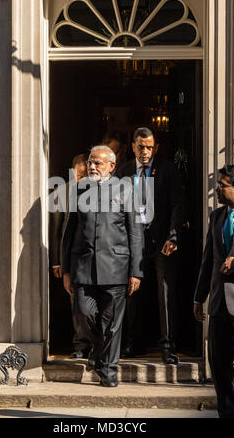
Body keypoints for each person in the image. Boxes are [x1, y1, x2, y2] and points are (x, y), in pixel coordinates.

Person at [62, 146, 144, 387]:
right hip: (82, 266)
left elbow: (135, 232)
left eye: (97, 163)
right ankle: (99, 351)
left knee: (112, 323)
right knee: (83, 312)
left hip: (116, 266)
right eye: (90, 162)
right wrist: (66, 269)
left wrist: (136, 271)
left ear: (111, 166)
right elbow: (68, 232)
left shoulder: (126, 190)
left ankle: (108, 369)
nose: (92, 166)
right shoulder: (78, 190)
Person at [117, 127, 183, 364]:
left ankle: (168, 346)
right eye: (140, 147)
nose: (145, 152)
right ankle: (132, 343)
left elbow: (177, 204)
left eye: (149, 147)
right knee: (132, 292)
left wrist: (173, 236)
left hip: (161, 241)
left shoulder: (167, 169)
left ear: (155, 147)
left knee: (165, 292)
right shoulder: (122, 171)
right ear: (132, 146)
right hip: (131, 241)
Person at [194, 164, 234, 418]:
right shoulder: (216, 216)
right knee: (219, 362)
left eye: (221, 185)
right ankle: (228, 412)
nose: (216, 189)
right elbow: (209, 260)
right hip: (218, 303)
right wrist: (199, 296)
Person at [50, 153, 91, 359]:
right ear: (74, 170)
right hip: (71, 256)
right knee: (76, 301)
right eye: (80, 172)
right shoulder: (62, 190)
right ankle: (80, 344)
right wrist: (57, 261)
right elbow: (57, 230)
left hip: (92, 256)